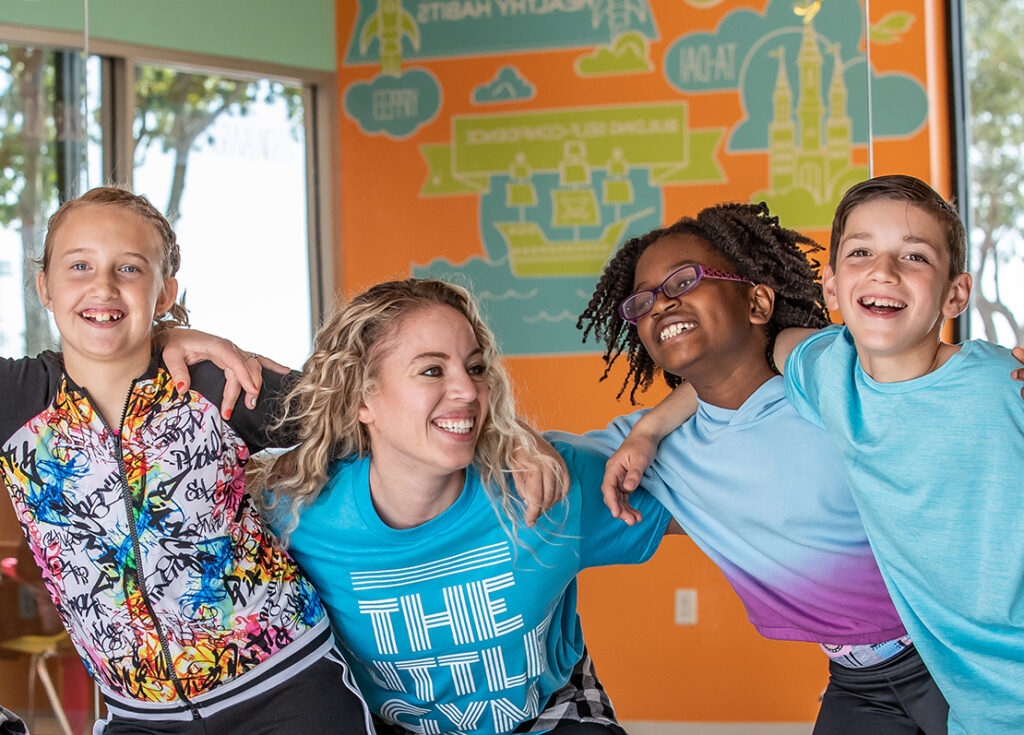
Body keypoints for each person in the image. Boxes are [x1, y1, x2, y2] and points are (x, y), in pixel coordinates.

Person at [0, 187, 375, 734]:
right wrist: (173, 329)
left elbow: (370, 410)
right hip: (139, 718)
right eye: (78, 265)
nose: (102, 286)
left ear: (163, 292)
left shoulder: (210, 382)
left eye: (129, 269)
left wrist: (519, 448)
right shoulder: (16, 401)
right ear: (45, 289)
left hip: (287, 690)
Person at [574, 202, 949, 733]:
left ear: (757, 300)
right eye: (644, 300)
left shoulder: (829, 383)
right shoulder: (652, 452)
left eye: (684, 281)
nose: (660, 305)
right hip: (855, 678)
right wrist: (647, 431)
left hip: (948, 653)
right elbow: (546, 459)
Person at [251, 278, 676, 735]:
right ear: (361, 399)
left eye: (475, 368)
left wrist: (659, 422)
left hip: (549, 718)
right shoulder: (294, 512)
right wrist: (175, 334)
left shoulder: (546, 485)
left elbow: (721, 499)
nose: (469, 391)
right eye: (432, 371)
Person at [773, 175, 1024, 734]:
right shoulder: (829, 372)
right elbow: (764, 347)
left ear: (955, 294)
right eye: (861, 252)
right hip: (977, 708)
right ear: (832, 288)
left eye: (914, 256)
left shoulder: (1004, 385)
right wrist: (652, 428)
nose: (883, 270)